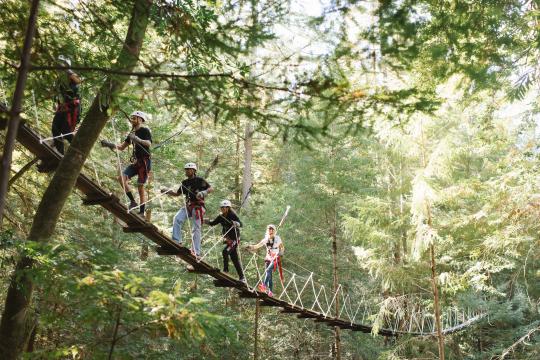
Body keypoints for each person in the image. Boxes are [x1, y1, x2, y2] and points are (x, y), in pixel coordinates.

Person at [101, 111, 152, 215]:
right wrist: (108, 144)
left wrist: (137, 139)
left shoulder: (144, 130)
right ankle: (133, 202)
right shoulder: (131, 134)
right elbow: (121, 147)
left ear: (140, 120)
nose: (132, 120)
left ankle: (142, 212)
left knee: (140, 186)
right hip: (137, 162)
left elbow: (148, 143)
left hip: (145, 162)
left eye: (135, 118)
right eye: (132, 118)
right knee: (121, 178)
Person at [162, 162, 213, 258]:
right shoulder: (184, 183)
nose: (187, 171)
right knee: (177, 218)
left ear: (194, 171)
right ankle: (176, 241)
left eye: (188, 169)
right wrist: (167, 191)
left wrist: (203, 192)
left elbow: (211, 188)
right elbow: (177, 194)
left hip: (198, 207)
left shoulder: (200, 180)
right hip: (188, 206)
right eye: (186, 169)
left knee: (196, 228)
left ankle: (196, 252)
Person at [205, 200, 245, 282]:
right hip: (229, 240)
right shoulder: (221, 217)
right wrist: (204, 220)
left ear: (228, 208)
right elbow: (213, 223)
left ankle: (226, 271)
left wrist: (236, 223)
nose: (223, 209)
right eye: (222, 207)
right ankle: (242, 277)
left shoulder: (232, 215)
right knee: (234, 259)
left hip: (235, 239)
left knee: (225, 251)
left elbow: (241, 224)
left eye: (225, 207)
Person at [51, 56, 81, 155]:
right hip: (62, 108)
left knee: (66, 132)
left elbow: (78, 81)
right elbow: (57, 93)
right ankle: (60, 154)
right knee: (55, 129)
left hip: (71, 109)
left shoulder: (71, 76)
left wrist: (67, 71)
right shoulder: (60, 80)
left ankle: (78, 151)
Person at [247, 224, 284, 296]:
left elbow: (282, 247)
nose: (271, 231)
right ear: (268, 231)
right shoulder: (265, 240)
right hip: (268, 258)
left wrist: (281, 253)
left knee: (268, 270)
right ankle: (270, 292)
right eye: (270, 230)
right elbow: (257, 246)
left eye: (272, 230)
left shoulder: (277, 238)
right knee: (269, 274)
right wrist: (249, 247)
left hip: (276, 257)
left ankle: (264, 285)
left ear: (274, 231)